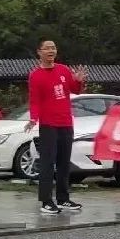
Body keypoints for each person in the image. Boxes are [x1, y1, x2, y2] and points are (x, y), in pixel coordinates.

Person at [26, 40, 88, 214]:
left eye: (53, 48)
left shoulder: (63, 70)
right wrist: (33, 118)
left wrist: (79, 81)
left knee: (64, 162)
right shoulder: (35, 75)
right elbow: (35, 100)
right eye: (47, 48)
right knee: (48, 163)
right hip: (48, 125)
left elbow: (75, 90)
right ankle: (46, 201)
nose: (51, 50)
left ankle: (63, 199)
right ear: (39, 52)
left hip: (66, 122)